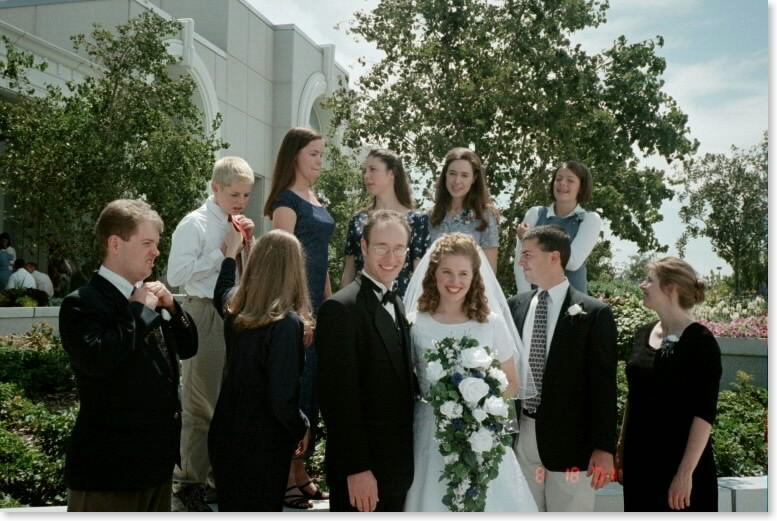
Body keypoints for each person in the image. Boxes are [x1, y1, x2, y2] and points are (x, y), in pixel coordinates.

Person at [58, 199, 198, 511]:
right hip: (110, 474)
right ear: (115, 244)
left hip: (157, 470)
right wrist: (139, 310)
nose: (156, 252)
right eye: (147, 243)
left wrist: (172, 309)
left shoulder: (149, 297)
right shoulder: (82, 303)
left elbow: (188, 347)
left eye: (156, 244)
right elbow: (99, 359)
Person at [402, 233, 538, 512]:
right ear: (434, 273)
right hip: (430, 433)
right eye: (447, 272)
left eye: (463, 273)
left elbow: (511, 381)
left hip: (481, 436)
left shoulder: (490, 322)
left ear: (475, 276)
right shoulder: (416, 323)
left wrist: (480, 411)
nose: (455, 282)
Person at [166, 156, 255, 511]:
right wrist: (222, 252)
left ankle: (217, 477)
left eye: (247, 195)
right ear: (215, 187)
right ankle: (189, 483)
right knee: (200, 403)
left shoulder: (236, 223)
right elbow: (176, 275)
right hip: (203, 311)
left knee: (228, 401)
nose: (241, 201)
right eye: (235, 193)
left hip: (235, 312)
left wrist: (247, 245)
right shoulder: (195, 224)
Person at [509, 224, 617, 512]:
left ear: (554, 257)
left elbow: (604, 385)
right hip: (521, 437)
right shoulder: (515, 307)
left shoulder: (594, 314)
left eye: (528, 254)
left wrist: (604, 448)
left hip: (573, 445)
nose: (521, 262)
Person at [317, 210, 415, 512]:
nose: (391, 256)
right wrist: (357, 469)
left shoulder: (397, 304)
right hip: (361, 475)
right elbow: (338, 399)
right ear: (363, 247)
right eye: (381, 246)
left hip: (396, 471)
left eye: (399, 248)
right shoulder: (340, 309)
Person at [208, 229, 312, 511]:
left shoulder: (236, 311)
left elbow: (222, 290)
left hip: (225, 434)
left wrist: (230, 256)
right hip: (262, 447)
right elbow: (282, 399)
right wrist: (302, 425)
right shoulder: (286, 324)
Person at [264, 127, 335, 507]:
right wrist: (299, 314)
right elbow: (283, 262)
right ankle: (286, 475)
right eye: (314, 154)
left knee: (312, 390)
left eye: (321, 154)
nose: (319, 161)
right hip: (295, 310)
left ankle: (301, 469)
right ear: (295, 156)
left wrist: (329, 304)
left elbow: (320, 259)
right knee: (295, 389)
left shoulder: (316, 199)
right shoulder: (285, 202)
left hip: (318, 308)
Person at [617, 257, 721, 511]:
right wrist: (621, 448)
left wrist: (684, 474)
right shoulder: (642, 334)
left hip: (681, 470)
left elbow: (704, 414)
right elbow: (634, 396)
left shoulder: (701, 342)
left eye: (649, 280)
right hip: (639, 464)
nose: (642, 285)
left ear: (671, 288)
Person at [341, 148, 430, 297]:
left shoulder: (417, 220)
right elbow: (349, 270)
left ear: (391, 174)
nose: (366, 176)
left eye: (373, 169)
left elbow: (419, 273)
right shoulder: (358, 220)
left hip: (400, 306)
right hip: (360, 304)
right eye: (365, 170)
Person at [514, 160, 602, 294]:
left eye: (570, 180)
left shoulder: (589, 220)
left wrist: (532, 238)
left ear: (581, 188)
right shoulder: (535, 214)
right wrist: (525, 299)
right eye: (558, 179)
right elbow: (520, 263)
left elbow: (572, 262)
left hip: (571, 302)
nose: (562, 183)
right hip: (535, 298)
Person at [428, 147, 499, 272]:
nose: (457, 181)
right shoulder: (431, 216)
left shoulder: (485, 216)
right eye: (452, 174)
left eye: (464, 175)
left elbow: (490, 271)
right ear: (445, 175)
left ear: (474, 178)